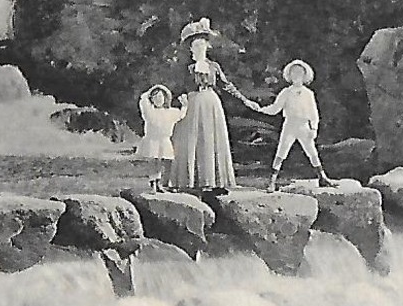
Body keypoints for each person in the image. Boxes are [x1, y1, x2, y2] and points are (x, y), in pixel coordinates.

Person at [168, 17, 245, 193]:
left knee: (211, 139)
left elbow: (226, 86)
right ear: (190, 48)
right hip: (193, 104)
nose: (200, 48)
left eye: (202, 45)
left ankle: (213, 180)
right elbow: (178, 87)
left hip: (211, 104)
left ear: (207, 47)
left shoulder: (213, 66)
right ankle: (187, 181)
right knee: (190, 140)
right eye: (196, 45)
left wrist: (245, 100)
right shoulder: (186, 68)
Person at [244, 59, 336, 192]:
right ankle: (272, 181)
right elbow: (275, 108)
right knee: (282, 151)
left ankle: (322, 177)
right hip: (290, 125)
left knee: (312, 152)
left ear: (305, 76)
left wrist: (314, 127)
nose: (296, 75)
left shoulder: (308, 94)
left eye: (299, 73)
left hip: (304, 125)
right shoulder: (286, 92)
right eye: (294, 73)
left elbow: (313, 112)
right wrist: (260, 109)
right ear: (289, 75)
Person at [136, 84, 188, 191]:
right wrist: (153, 89)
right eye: (155, 97)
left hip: (163, 140)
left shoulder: (170, 112)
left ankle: (159, 182)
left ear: (165, 99)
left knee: (161, 163)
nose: (158, 100)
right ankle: (153, 182)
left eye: (161, 97)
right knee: (153, 162)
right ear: (152, 100)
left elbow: (181, 115)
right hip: (152, 140)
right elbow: (143, 100)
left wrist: (184, 105)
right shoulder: (150, 112)